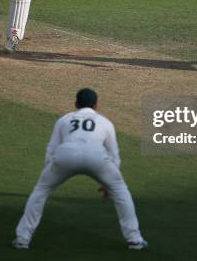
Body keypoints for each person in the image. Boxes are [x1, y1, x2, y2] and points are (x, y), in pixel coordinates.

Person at [13, 88, 147, 250]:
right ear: (96, 105)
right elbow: (113, 154)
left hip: (66, 156)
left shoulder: (64, 120)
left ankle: (22, 239)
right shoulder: (105, 122)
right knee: (121, 191)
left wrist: (47, 176)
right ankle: (134, 240)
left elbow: (51, 149)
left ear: (76, 103)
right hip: (96, 157)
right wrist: (109, 184)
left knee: (41, 191)